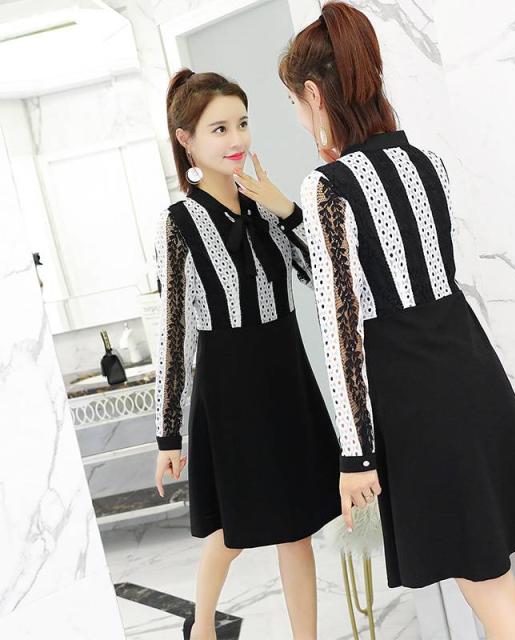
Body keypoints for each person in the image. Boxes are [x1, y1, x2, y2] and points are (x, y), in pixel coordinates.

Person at [251, 3, 515, 639]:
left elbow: (342, 331)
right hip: (472, 372)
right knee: (495, 586)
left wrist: (355, 456)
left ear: (314, 94)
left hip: (416, 398)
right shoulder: (427, 163)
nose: (298, 116)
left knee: (496, 605)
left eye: (294, 102)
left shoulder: (329, 186)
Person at [154, 69, 341, 640]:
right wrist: (167, 435)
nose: (236, 139)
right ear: (186, 140)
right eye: (219, 128)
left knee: (297, 527)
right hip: (230, 385)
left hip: (285, 374)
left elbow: (320, 272)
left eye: (242, 123)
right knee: (232, 532)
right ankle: (202, 628)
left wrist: (287, 210)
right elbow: (174, 331)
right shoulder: (179, 223)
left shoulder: (264, 207)